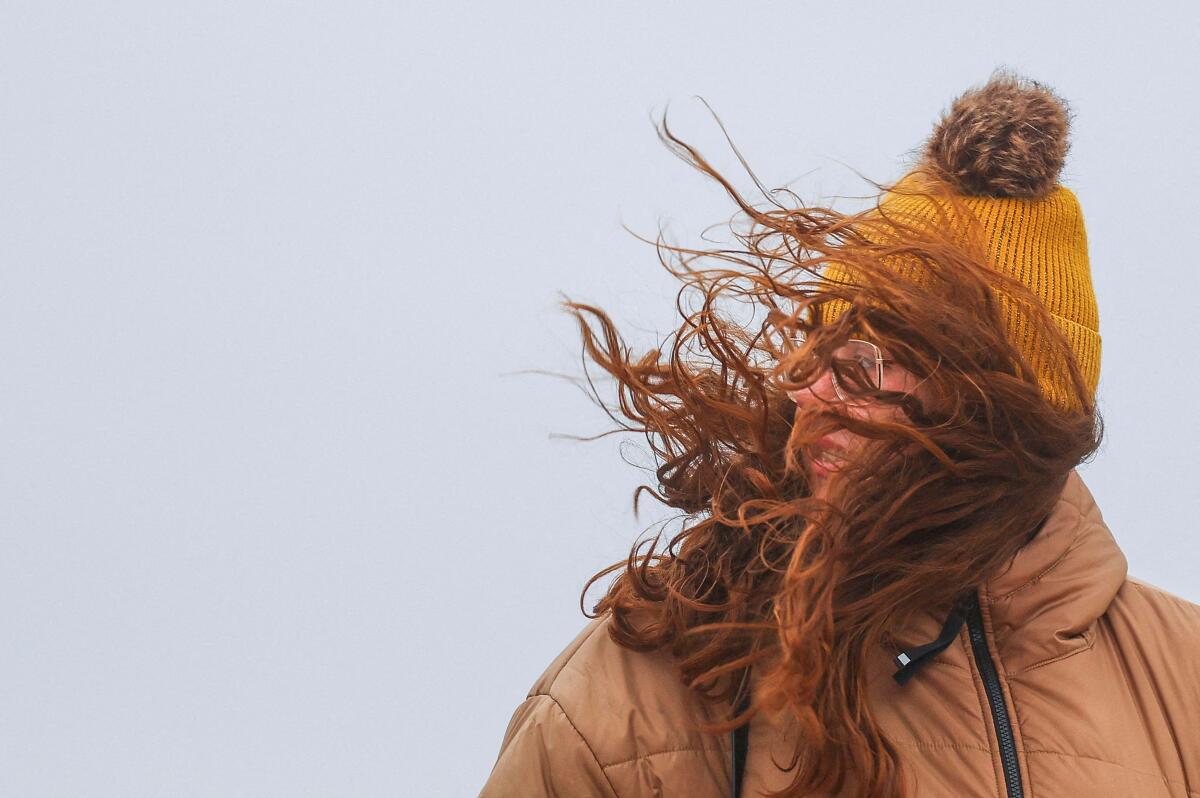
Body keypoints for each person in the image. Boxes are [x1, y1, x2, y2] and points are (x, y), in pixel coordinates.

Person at [480, 71, 1200, 798]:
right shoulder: (639, 695)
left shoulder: (1184, 681)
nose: (810, 393)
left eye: (869, 362)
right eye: (818, 348)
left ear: (1007, 407)